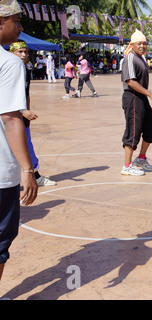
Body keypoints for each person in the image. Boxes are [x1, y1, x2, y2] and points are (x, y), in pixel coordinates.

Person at [0, 0, 38, 292]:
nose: (21, 27)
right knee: (1, 240)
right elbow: (11, 119)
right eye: (16, 21)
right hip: (1, 171)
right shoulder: (9, 62)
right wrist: (28, 169)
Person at [9, 40, 56, 187]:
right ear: (11, 53)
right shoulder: (8, 69)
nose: (23, 55)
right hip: (10, 115)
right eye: (19, 52)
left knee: (27, 144)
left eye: (25, 51)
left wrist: (26, 114)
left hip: (21, 115)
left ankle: (34, 175)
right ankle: (32, 176)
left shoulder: (25, 69)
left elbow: (26, 94)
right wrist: (22, 111)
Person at [120, 29, 152, 176]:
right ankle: (127, 166)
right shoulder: (130, 57)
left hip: (141, 98)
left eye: (145, 43)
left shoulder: (141, 58)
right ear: (132, 44)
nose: (143, 46)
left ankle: (141, 159)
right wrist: (150, 94)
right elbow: (130, 81)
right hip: (132, 97)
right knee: (133, 131)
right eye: (139, 43)